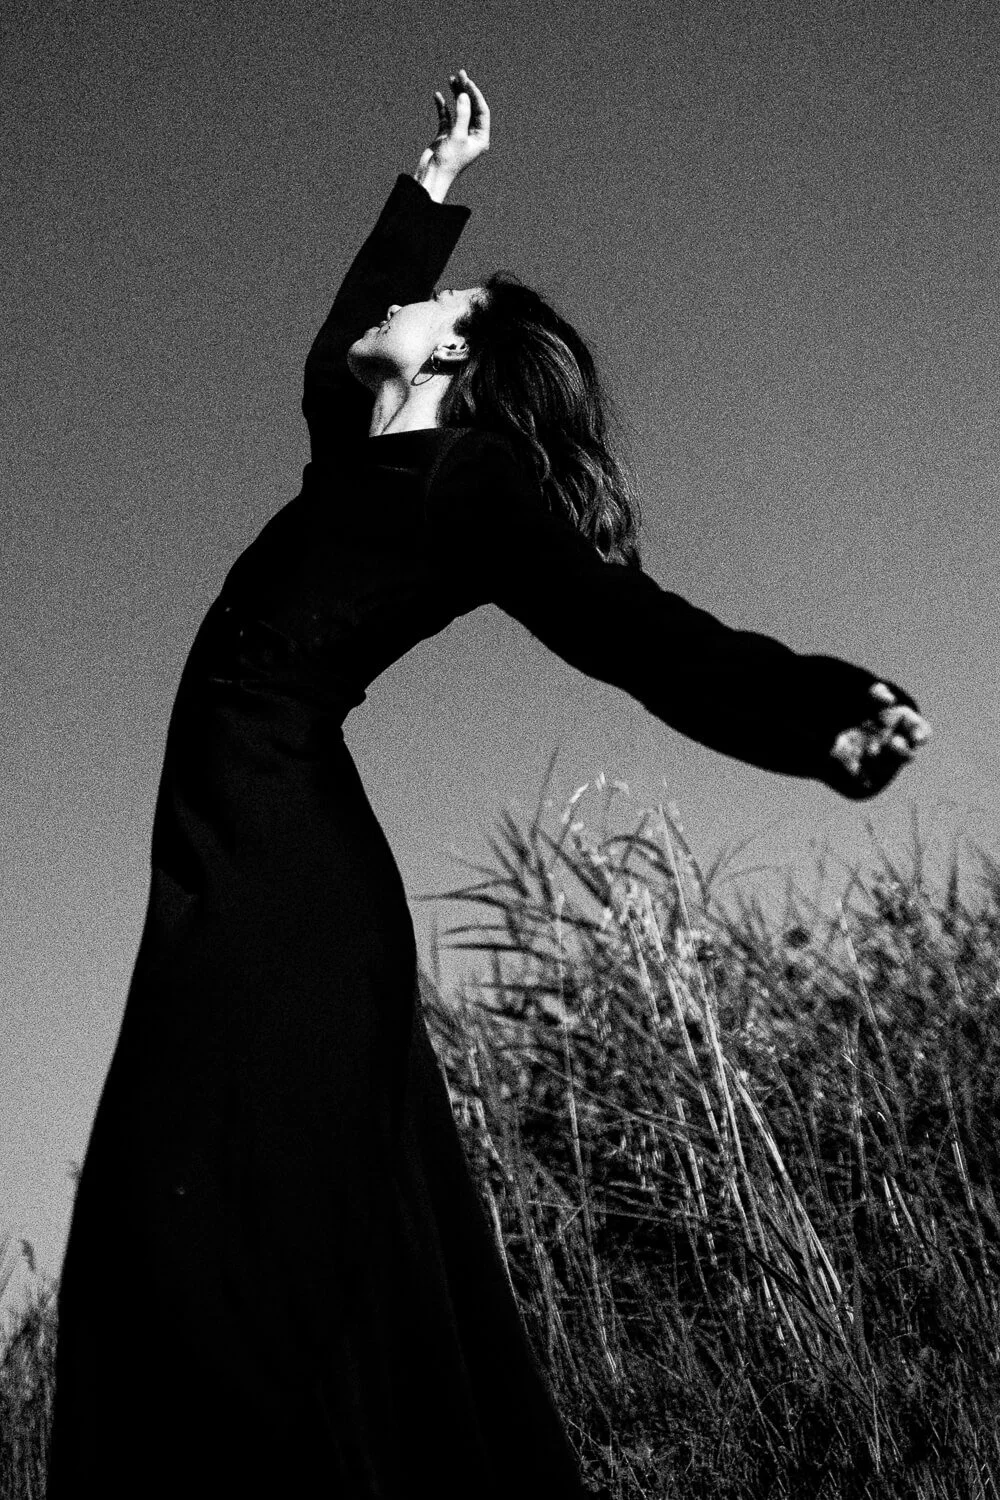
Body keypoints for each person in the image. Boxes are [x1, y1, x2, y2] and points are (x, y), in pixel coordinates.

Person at [46, 69, 930, 1500]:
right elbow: (345, 335)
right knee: (188, 1212)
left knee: (217, 1226)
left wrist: (820, 713)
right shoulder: (354, 455)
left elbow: (626, 625)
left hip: (288, 889)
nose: (397, 310)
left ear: (455, 358)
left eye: (435, 304)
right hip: (232, 864)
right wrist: (436, 178)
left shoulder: (468, 486)